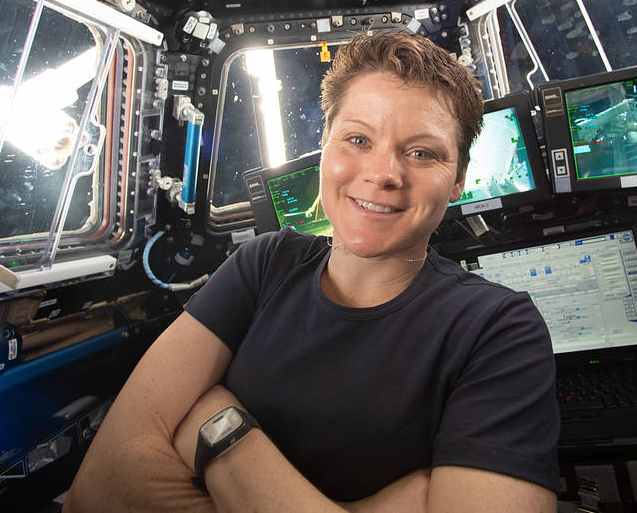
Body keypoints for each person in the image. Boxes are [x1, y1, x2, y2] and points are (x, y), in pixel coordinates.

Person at [65, 31, 560, 512]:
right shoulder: (265, 263)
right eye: (358, 139)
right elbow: (100, 490)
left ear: (458, 179)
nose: (384, 173)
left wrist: (220, 430)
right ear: (324, 145)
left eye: (423, 152)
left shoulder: (500, 329)